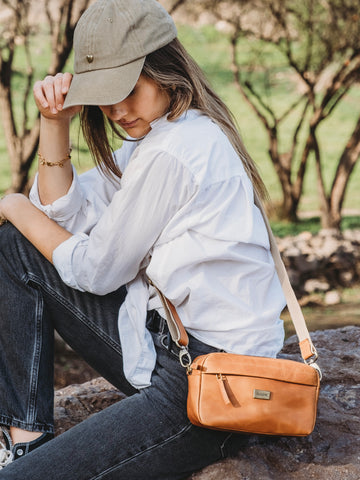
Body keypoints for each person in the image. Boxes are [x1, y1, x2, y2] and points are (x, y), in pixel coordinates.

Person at [0, 0, 285, 478]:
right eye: (105, 95)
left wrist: (12, 204)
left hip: (212, 387)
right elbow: (65, 214)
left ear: (165, 69)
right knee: (18, 248)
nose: (116, 109)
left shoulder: (177, 150)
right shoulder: (157, 138)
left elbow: (95, 269)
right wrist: (55, 123)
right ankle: (23, 438)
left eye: (128, 89)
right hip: (170, 346)